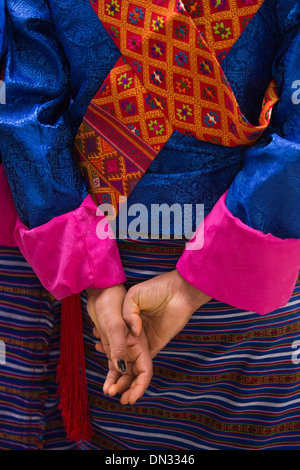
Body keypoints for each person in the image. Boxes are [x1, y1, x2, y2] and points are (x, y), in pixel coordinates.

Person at [0, 0, 300, 450]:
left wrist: (93, 277)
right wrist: (192, 285)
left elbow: (25, 103)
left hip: (103, 274)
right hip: (249, 262)